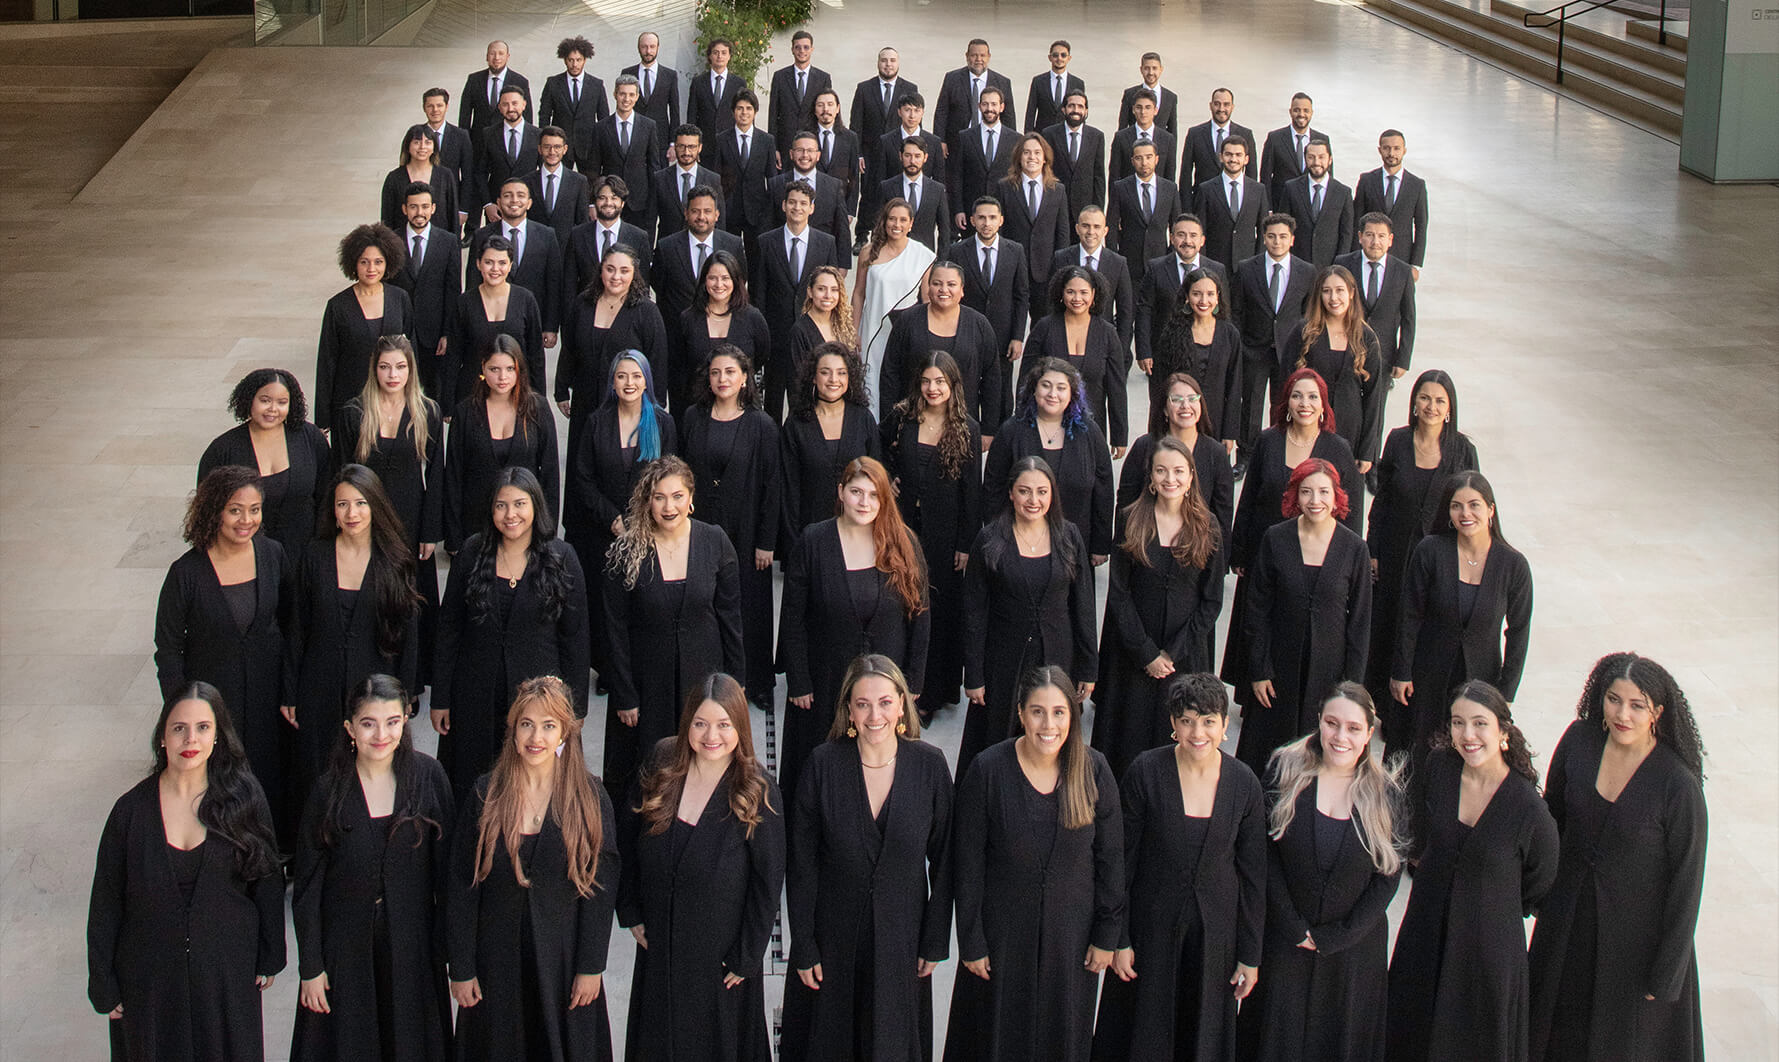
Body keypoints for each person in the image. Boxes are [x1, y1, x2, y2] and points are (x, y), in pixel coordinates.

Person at [87, 683, 286, 1061]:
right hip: (148, 982)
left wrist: (269, 954)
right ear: (162, 737)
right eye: (179, 728)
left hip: (226, 976)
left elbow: (267, 881)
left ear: (218, 738)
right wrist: (103, 983)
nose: (190, 738)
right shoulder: (128, 812)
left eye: (203, 728)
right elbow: (106, 903)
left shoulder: (245, 800)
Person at [1527, 653, 1708, 1062]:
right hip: (1568, 926)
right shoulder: (1578, 740)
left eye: (1636, 705)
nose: (1622, 713)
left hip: (1636, 948)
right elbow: (1550, 820)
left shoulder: (1677, 785)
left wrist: (1666, 975)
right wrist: (1534, 894)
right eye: (1613, 699)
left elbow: (1687, 884)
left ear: (1656, 712)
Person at [781, 655, 954, 1062]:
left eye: (884, 702)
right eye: (862, 704)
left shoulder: (929, 766)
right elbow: (802, 865)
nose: (874, 714)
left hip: (903, 941)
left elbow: (946, 860)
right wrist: (803, 944)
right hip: (833, 940)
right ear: (848, 710)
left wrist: (934, 939)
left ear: (901, 705)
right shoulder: (823, 765)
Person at [944, 667, 1123, 1062]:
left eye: (1059, 712)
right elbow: (968, 865)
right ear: (1021, 714)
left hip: (1071, 945)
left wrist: (1107, 933)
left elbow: (1111, 860)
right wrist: (971, 940)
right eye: (1038, 712)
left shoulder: (1093, 770)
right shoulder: (988, 770)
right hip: (1001, 942)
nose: (1049, 724)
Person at [1092, 673, 1265, 1062]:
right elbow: (1121, 860)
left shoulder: (1244, 784)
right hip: (1149, 934)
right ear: (1173, 723)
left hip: (1214, 942)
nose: (1197, 732)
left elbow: (1254, 877)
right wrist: (1119, 937)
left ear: (1224, 726)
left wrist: (1250, 954)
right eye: (1186, 720)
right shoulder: (1145, 771)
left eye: (1208, 721)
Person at [447, 676, 619, 1062]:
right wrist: (461, 966)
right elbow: (462, 885)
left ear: (564, 734)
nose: (535, 737)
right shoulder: (485, 793)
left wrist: (592, 965)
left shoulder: (589, 797)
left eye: (548, 725)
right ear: (513, 730)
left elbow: (602, 886)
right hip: (496, 964)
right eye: (526, 724)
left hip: (564, 964)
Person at [1385, 681, 1559, 1062]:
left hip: (1488, 948)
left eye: (1480, 723)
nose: (1467, 735)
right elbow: (1425, 832)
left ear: (1503, 732)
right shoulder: (1439, 767)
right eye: (1457, 723)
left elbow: (1540, 881)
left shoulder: (1528, 807)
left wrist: (1490, 898)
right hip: (1427, 929)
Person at [617, 673, 787, 1062]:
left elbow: (768, 881)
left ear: (739, 728)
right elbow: (626, 838)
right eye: (701, 723)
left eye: (724, 725)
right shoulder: (662, 760)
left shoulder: (756, 788)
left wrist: (747, 956)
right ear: (687, 724)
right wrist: (630, 910)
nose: (712, 736)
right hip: (661, 948)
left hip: (721, 965)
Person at [290, 674, 454, 1062]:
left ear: (405, 720)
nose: (381, 734)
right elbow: (308, 888)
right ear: (349, 728)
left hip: (412, 949)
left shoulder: (429, 778)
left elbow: (448, 877)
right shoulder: (328, 790)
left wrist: (450, 954)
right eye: (368, 723)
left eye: (392, 722)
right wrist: (311, 966)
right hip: (345, 952)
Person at [1236, 683, 1403, 1062]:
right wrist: (1295, 927)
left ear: (1369, 734)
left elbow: (1388, 876)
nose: (1340, 736)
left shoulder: (1386, 793)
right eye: (1332, 723)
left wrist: (1338, 937)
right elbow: (1265, 854)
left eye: (1353, 728)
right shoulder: (1284, 770)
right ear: (1319, 723)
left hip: (1353, 956)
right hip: (1286, 942)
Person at [154, 466, 297, 843]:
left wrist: (289, 691)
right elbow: (168, 650)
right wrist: (181, 711)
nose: (246, 520)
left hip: (267, 700)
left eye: (254, 509)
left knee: (268, 776)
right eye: (235, 510)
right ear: (215, 510)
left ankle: (269, 855)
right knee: (218, 781)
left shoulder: (273, 555)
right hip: (213, 703)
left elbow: (289, 626)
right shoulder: (185, 573)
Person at [779, 456, 931, 802]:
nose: (865, 503)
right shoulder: (814, 541)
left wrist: (914, 681)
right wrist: (799, 680)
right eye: (856, 492)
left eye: (874, 495)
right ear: (841, 493)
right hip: (825, 680)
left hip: (886, 686)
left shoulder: (904, 542)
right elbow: (793, 617)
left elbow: (920, 617)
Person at [433, 467, 589, 798]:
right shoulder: (473, 553)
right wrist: (441, 697)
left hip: (538, 702)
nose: (510, 515)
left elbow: (575, 639)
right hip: (474, 695)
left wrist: (575, 709)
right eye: (501, 505)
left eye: (519, 504)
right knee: (473, 787)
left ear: (535, 506)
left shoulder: (562, 557)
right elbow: (449, 629)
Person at [601, 455, 744, 807]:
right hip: (646, 687)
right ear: (647, 501)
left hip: (702, 682)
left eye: (677, 496)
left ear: (691, 498)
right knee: (646, 779)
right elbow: (613, 627)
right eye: (660, 497)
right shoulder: (625, 551)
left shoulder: (715, 542)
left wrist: (736, 681)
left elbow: (730, 617)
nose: (669, 507)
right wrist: (624, 694)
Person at [285, 464, 422, 820]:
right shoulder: (314, 555)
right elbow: (297, 628)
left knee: (373, 772)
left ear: (375, 505)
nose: (352, 513)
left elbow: (409, 634)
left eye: (360, 503)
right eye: (342, 504)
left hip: (375, 687)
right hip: (319, 687)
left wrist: (406, 693)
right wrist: (290, 691)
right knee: (317, 773)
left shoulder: (395, 559)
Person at [1091, 436, 1226, 778]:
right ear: (1150, 477)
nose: (1170, 479)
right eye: (1161, 471)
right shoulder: (1129, 519)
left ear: (1191, 476)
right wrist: (1147, 652)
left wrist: (1173, 653)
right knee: (1127, 742)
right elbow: (1119, 593)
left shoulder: (1207, 526)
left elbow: (1211, 601)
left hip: (1184, 656)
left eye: (1179, 471)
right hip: (1134, 654)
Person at [959, 459, 1098, 778]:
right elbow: (974, 612)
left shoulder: (1069, 536)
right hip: (1003, 661)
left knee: (1053, 736)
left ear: (1052, 495)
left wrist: (1088, 667)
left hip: (1058, 657)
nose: (1033, 500)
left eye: (1041, 492)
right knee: (998, 736)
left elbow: (1084, 607)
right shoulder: (989, 540)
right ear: (1010, 494)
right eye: (1024, 492)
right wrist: (974, 675)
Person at [1364, 369, 1479, 755]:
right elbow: (1381, 502)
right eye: (1425, 398)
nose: (1431, 406)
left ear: (1450, 409)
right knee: (1390, 630)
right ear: (1414, 402)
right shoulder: (1397, 441)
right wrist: (1373, 550)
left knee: (1422, 633)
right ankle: (1386, 709)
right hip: (1396, 555)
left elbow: (1471, 509)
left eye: (1440, 400)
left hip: (1440, 561)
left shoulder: (1462, 450)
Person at [1391, 471, 1534, 781]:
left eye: (1474, 505)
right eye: (1457, 506)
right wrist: (1401, 671)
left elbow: (1519, 630)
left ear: (1491, 510)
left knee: (1472, 756)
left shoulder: (1513, 565)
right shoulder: (1430, 550)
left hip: (1482, 680)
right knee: (1423, 754)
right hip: (1428, 675)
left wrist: (1506, 691)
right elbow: (1409, 614)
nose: (1465, 514)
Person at [1234, 458, 1372, 773]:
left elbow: (1360, 624)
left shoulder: (1354, 549)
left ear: (1337, 496)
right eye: (1306, 492)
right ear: (1295, 496)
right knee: (1268, 759)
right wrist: (1259, 670)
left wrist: (1351, 688)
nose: (1315, 501)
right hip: (1276, 673)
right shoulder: (1275, 538)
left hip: (1329, 674)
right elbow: (1256, 610)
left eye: (1324, 492)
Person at [333, 338, 444, 691]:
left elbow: (437, 473)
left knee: (411, 598)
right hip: (365, 519)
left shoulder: (427, 411)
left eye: (400, 367)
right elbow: (340, 473)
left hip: (411, 517)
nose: (392, 374)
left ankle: (412, 679)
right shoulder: (354, 412)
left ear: (411, 370)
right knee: (374, 595)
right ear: (374, 369)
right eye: (385, 367)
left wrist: (430, 531)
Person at [676, 345, 782, 711]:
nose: (723, 380)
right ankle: (714, 679)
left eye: (730, 373)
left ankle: (757, 682)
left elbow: (772, 486)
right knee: (708, 604)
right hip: (703, 528)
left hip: (748, 530)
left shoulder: (762, 424)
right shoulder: (692, 417)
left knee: (751, 606)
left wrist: (768, 542)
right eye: (716, 373)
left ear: (744, 379)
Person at [879, 352, 983, 719]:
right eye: (926, 381)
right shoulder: (902, 417)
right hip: (902, 528)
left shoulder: (967, 428)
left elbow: (973, 490)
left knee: (938, 612)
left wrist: (966, 544)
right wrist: (888, 478)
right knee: (901, 604)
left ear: (953, 386)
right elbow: (879, 453)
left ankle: (931, 694)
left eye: (940, 382)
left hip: (944, 536)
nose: (932, 388)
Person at [569, 351, 677, 685]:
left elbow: (671, 475)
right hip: (606, 530)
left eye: (636, 376)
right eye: (621, 376)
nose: (629, 383)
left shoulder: (662, 423)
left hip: (651, 527)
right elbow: (582, 479)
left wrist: (646, 518)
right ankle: (608, 669)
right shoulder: (596, 422)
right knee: (608, 606)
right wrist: (613, 519)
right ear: (612, 382)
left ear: (647, 381)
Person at [557, 245, 671, 560]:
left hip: (632, 409)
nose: (616, 277)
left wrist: (655, 409)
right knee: (585, 469)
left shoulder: (646, 311)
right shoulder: (583, 303)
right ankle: (581, 538)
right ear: (600, 270)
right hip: (586, 404)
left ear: (634, 275)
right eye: (610, 269)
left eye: (623, 271)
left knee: (622, 470)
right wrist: (560, 388)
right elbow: (569, 350)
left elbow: (657, 364)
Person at [983, 358, 1115, 560]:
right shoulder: (1011, 431)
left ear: (1072, 394)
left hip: (1076, 546)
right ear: (1033, 389)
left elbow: (1104, 491)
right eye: (1046, 385)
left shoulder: (1089, 433)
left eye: (1061, 388)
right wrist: (995, 538)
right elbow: (993, 488)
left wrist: (1100, 544)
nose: (1053, 394)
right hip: (1018, 547)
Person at [1285, 264, 1385, 522]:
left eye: (1340, 290)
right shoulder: (1304, 332)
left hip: (1351, 431)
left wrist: (1368, 450)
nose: (1333, 298)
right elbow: (1285, 385)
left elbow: (1375, 397)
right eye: (1327, 291)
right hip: (1310, 429)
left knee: (1345, 503)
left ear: (1352, 293)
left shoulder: (1366, 337)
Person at [443, 338, 560, 555]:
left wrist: (548, 531)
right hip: (475, 526)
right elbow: (453, 476)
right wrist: (453, 538)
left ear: (519, 370)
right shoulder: (465, 412)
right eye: (494, 369)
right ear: (483, 369)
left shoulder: (538, 409)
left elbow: (550, 475)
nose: (502, 377)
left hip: (525, 525)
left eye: (509, 369)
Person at [199, 368, 332, 559]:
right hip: (247, 555)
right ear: (249, 400)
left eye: (282, 402)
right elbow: (207, 511)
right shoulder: (223, 450)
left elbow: (326, 493)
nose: (273, 409)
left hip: (304, 553)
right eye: (265, 400)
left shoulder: (310, 438)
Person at [1229, 214, 1314, 475]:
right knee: (1251, 404)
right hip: (1254, 348)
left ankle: (1278, 453)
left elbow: (1307, 315)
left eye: (1283, 236)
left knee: (1283, 404)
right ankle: (1246, 456)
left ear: (1292, 240)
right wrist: (1242, 344)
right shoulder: (1247, 268)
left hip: (1289, 351)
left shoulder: (1306, 271)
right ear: (1263, 238)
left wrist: (1303, 350)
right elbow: (1237, 310)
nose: (1277, 242)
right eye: (1272, 236)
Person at [1117, 371, 1238, 552]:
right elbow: (1126, 503)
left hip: (1198, 550)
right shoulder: (1144, 447)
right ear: (1165, 408)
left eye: (1192, 398)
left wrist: (1220, 559)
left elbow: (1223, 513)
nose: (1185, 406)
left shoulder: (1216, 453)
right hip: (1146, 547)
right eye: (1177, 399)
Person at [779, 344, 884, 549]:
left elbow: (878, 480)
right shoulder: (796, 424)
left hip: (860, 535)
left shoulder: (863, 419)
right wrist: (794, 543)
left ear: (850, 377)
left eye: (841, 373)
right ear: (813, 377)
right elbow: (788, 489)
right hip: (809, 536)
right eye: (825, 372)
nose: (833, 380)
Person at [755, 179, 844, 418]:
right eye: (792, 202)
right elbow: (759, 292)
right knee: (772, 401)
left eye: (803, 203)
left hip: (812, 337)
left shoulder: (826, 243)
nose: (797, 208)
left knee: (806, 400)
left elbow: (832, 289)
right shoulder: (766, 242)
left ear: (812, 208)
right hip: (776, 336)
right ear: (783, 205)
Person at [316, 223, 416, 432]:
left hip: (393, 399)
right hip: (351, 401)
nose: (371, 269)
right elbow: (327, 362)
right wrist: (323, 419)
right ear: (354, 263)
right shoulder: (338, 306)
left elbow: (410, 352)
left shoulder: (399, 298)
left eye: (378, 262)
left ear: (388, 262)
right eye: (364, 262)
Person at [877, 261, 998, 431]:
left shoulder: (979, 325)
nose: (944, 290)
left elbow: (992, 379)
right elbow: (890, 374)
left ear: (962, 289)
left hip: (963, 425)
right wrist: (890, 424)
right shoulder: (908, 321)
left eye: (951, 284)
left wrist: (988, 429)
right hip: (912, 423)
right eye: (937, 284)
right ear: (927, 287)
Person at [1020, 266, 1128, 450]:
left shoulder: (1107, 333)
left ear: (1094, 295)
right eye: (1071, 292)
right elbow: (1026, 380)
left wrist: (1119, 436)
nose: (1077, 299)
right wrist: (1021, 420)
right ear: (1061, 293)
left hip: (1092, 427)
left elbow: (1116, 387)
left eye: (1083, 292)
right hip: (1047, 426)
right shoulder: (1044, 328)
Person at [945, 196, 1030, 418]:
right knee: (966, 394)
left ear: (1001, 220)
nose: (986, 223)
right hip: (967, 335)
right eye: (981, 218)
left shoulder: (1016, 251)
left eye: (992, 218)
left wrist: (1018, 336)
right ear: (972, 220)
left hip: (1003, 338)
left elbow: (1021, 296)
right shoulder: (958, 251)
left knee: (1001, 398)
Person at [446, 235, 544, 412]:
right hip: (472, 393)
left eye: (502, 263)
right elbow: (453, 356)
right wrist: (448, 403)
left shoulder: (526, 299)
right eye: (489, 262)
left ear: (510, 265)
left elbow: (536, 354)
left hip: (516, 393)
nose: (495, 269)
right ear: (478, 264)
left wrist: (539, 399)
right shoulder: (464, 302)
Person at [853, 198, 937, 405]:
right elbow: (858, 293)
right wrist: (853, 331)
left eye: (902, 220)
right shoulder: (868, 251)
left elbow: (926, 299)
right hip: (872, 329)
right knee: (870, 383)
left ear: (911, 224)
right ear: (884, 221)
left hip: (905, 330)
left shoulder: (923, 255)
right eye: (892, 219)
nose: (896, 225)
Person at [386, 182, 463, 399]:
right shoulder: (391, 241)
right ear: (404, 209)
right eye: (413, 207)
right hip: (400, 329)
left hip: (435, 331)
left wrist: (448, 332)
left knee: (432, 392)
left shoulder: (448, 242)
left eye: (424, 206)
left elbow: (453, 290)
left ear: (433, 208)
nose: (419, 212)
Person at [1149, 267, 1241, 443]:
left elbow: (1235, 387)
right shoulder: (1171, 333)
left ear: (1218, 297)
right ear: (1187, 297)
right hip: (1179, 422)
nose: (1204, 300)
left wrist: (1230, 434)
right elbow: (1159, 385)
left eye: (1210, 294)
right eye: (1197, 294)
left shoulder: (1230, 334)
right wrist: (1158, 427)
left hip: (1217, 423)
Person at [471, 178, 564, 349]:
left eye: (520, 196)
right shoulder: (481, 236)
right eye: (508, 196)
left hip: (531, 321)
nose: (514, 200)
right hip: (490, 320)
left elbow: (553, 283)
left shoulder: (547, 235)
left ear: (529, 203)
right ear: (498, 202)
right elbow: (473, 281)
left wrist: (551, 327)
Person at [677, 250, 773, 411]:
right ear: (704, 281)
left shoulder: (752, 317)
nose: (719, 284)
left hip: (744, 407)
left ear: (736, 280)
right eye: (712, 278)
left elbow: (762, 355)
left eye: (725, 278)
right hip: (698, 407)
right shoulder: (688, 318)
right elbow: (679, 365)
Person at [1334, 213, 1417, 383]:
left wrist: (1403, 359)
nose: (1375, 242)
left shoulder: (1403, 272)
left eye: (1381, 236)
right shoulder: (1343, 264)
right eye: (1370, 235)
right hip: (1345, 351)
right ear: (1360, 237)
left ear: (1390, 239)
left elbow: (1409, 318)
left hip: (1383, 355)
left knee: (1377, 408)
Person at [994, 132, 1071, 308]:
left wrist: (1060, 270)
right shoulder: (1004, 187)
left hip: (1045, 270)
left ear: (1045, 158)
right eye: (1026, 152)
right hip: (1013, 266)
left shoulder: (1057, 190)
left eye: (1037, 152)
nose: (1032, 157)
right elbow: (1000, 229)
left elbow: (1062, 232)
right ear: (1019, 157)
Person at [712, 91, 778, 265]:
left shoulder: (767, 141)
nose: (744, 112)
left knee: (756, 260)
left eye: (749, 108)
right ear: (733, 111)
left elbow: (772, 178)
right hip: (729, 208)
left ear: (755, 112)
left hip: (757, 211)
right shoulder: (721, 139)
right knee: (728, 260)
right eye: (740, 108)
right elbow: (716, 177)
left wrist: (770, 213)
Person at [786, 265, 858, 419]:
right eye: (821, 289)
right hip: (812, 413)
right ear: (810, 292)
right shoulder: (800, 331)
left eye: (834, 290)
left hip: (842, 411)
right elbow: (796, 384)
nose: (828, 295)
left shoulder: (843, 326)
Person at [585, 84, 661, 230]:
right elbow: (593, 168)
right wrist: (592, 203)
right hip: (609, 202)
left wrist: (653, 202)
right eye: (622, 94)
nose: (627, 99)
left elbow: (654, 165)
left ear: (637, 97)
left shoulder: (648, 126)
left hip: (639, 202)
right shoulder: (600, 127)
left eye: (631, 95)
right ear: (615, 95)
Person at [1352, 130, 1428, 276]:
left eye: (1396, 148)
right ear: (1379, 150)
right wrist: (1356, 255)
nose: (1391, 153)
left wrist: (1416, 265)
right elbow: (1357, 221)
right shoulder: (1367, 180)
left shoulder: (1416, 185)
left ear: (1404, 150)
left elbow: (1421, 226)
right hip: (1370, 254)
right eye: (1386, 148)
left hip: (1402, 258)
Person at [1193, 133, 1267, 278]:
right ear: (1221, 157)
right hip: (1215, 265)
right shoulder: (1206, 189)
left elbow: (1264, 231)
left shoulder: (1258, 190)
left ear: (1246, 159)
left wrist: (1259, 262)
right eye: (1228, 154)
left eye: (1238, 155)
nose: (1233, 159)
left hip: (1248, 265)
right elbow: (1201, 230)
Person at [948, 91, 1019, 236]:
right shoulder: (965, 137)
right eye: (985, 104)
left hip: (1004, 211)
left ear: (1002, 107)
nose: (989, 108)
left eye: (994, 104)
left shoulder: (1015, 139)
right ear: (979, 106)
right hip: (972, 212)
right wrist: (959, 209)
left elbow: (1017, 177)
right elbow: (957, 176)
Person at [468, 87, 542, 225]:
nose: (510, 108)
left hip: (529, 207)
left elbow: (543, 172)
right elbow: (479, 172)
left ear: (524, 105)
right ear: (499, 107)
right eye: (505, 104)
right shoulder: (488, 134)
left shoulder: (538, 135)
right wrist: (487, 204)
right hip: (497, 209)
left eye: (515, 103)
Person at [933, 38, 1016, 159]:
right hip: (957, 143)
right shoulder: (952, 78)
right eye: (974, 55)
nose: (978, 60)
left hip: (989, 142)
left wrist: (1010, 143)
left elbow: (1009, 116)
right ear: (967, 56)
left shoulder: (1002, 82)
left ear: (989, 57)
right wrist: (940, 141)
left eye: (983, 55)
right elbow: (941, 111)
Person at [1278, 139, 1354, 268]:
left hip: (1330, 265)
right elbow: (1284, 226)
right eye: (1311, 157)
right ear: (1305, 159)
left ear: (1329, 160)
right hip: (1297, 263)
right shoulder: (1291, 188)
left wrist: (1340, 264)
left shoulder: (1343, 192)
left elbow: (1346, 233)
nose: (1316, 162)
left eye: (1321, 157)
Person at [540, 35, 609, 171]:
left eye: (578, 60)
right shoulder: (553, 83)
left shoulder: (597, 85)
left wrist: (602, 145)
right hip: (559, 146)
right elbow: (544, 115)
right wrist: (546, 144)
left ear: (585, 60)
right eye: (571, 60)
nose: (575, 64)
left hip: (589, 147)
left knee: (591, 186)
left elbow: (604, 118)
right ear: (565, 60)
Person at [1105, 140, 1178, 266]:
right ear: (1132, 161)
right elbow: (1111, 226)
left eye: (1149, 157)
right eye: (1139, 158)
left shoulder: (1170, 188)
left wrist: (1171, 255)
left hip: (1161, 260)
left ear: (1156, 159)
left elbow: (1176, 225)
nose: (1144, 163)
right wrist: (1115, 258)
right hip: (1129, 260)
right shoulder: (1120, 188)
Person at [381, 126, 461, 236]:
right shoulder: (394, 178)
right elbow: (387, 219)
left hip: (439, 243)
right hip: (401, 244)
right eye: (417, 142)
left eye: (428, 142)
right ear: (408, 146)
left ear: (434, 147)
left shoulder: (445, 176)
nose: (422, 147)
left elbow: (453, 217)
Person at [1044, 91, 1107, 226]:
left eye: (1080, 106)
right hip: (1056, 206)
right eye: (1071, 106)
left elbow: (1099, 177)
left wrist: (1098, 211)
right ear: (1064, 109)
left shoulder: (1097, 136)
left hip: (1084, 209)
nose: (1075, 110)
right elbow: (1045, 171)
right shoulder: (1049, 134)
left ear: (1086, 111)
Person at [651, 128, 726, 240]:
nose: (686, 152)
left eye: (691, 147)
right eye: (682, 146)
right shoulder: (660, 178)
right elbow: (650, 220)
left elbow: (720, 221)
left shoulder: (712, 179)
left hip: (702, 247)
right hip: (668, 248)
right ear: (675, 146)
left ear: (699, 148)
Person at [768, 30, 831, 162]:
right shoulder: (780, 77)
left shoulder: (823, 78)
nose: (802, 51)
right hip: (786, 144)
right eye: (798, 47)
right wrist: (774, 148)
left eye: (806, 47)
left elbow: (826, 112)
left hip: (813, 143)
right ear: (792, 49)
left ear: (812, 49)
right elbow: (773, 113)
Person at [884, 135, 951, 253]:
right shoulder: (887, 187)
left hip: (925, 258)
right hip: (892, 256)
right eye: (908, 155)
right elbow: (879, 225)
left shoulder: (937, 190)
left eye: (917, 156)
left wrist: (940, 263)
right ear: (900, 156)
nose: (912, 161)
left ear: (925, 158)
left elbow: (944, 231)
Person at [1259, 92, 1328, 206]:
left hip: (1311, 204)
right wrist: (1268, 207)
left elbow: (1327, 174)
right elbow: (1265, 176)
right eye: (1297, 110)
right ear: (1290, 112)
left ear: (1312, 113)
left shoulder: (1322, 139)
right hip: (1281, 203)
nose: (1301, 114)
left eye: (1306, 110)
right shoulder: (1275, 138)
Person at [1182, 86, 1258, 190]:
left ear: (1232, 107)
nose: (1221, 109)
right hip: (1201, 200)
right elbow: (1185, 173)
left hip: (1233, 198)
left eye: (1226, 104)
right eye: (1217, 104)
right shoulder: (1195, 134)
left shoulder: (1245, 135)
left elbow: (1251, 173)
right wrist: (1187, 205)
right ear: (1210, 105)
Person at [527, 126, 592, 243]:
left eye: (557, 147)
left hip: (566, 249)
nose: (552, 152)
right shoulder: (527, 182)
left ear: (565, 149)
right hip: (535, 247)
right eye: (547, 147)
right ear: (539, 149)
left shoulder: (579, 181)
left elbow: (582, 222)